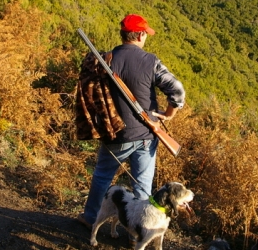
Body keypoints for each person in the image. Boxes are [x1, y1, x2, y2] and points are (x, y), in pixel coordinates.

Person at [77, 14, 185, 229]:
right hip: (146, 134)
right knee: (143, 186)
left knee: (102, 177)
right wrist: (170, 113)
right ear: (141, 34)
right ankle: (140, 230)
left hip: (115, 133)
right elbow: (177, 89)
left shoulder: (106, 59)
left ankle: (91, 218)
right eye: (146, 34)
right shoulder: (151, 61)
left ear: (123, 34)